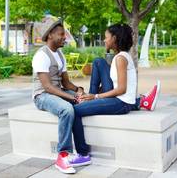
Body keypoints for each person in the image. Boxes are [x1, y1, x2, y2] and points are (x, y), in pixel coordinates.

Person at [69, 24, 161, 166]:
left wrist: (95, 97)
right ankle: (138, 102)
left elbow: (122, 89)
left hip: (121, 103)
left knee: (74, 111)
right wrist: (94, 95)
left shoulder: (120, 59)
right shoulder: (120, 56)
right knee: (98, 61)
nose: (104, 41)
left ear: (115, 38)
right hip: (120, 99)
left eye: (106, 37)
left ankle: (83, 153)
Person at [32, 19, 85, 174]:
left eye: (65, 34)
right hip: (42, 95)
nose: (65, 37)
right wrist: (72, 98)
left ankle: (82, 151)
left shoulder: (60, 55)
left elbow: (66, 83)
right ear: (50, 35)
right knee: (67, 110)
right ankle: (62, 156)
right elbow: (47, 86)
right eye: (61, 34)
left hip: (57, 91)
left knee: (84, 102)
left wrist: (79, 90)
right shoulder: (41, 55)